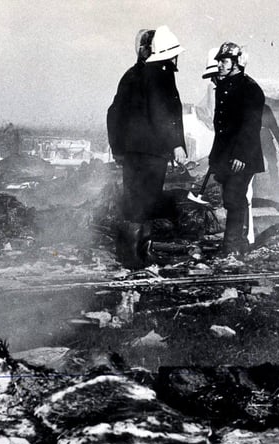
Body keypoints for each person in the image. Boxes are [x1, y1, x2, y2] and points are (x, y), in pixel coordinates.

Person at [106, 26, 187, 267]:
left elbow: (114, 113)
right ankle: (136, 256)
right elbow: (164, 113)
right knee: (147, 201)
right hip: (153, 151)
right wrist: (176, 144)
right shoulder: (161, 73)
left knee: (134, 201)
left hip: (132, 152)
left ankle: (132, 255)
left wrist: (118, 148)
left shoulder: (131, 75)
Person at [208, 41, 265, 255]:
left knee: (234, 198)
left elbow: (250, 126)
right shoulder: (223, 87)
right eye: (220, 61)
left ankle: (232, 246)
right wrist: (216, 158)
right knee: (231, 198)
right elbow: (221, 127)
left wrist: (240, 154)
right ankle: (238, 243)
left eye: (224, 61)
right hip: (226, 156)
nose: (220, 65)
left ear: (237, 62)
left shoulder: (250, 89)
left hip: (243, 155)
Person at [260, 103, 279, 180]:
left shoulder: (246, 106)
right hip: (265, 136)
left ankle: (252, 188)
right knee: (272, 161)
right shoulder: (265, 107)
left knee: (251, 164)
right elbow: (273, 125)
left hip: (253, 136)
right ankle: (275, 184)